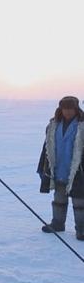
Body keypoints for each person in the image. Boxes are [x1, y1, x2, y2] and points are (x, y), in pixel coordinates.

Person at [37, 96, 84, 240]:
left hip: (78, 170)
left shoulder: (82, 125)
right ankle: (57, 223)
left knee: (80, 201)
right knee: (59, 199)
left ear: (76, 109)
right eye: (65, 109)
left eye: (70, 109)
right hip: (59, 168)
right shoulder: (53, 125)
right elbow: (47, 148)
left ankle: (81, 229)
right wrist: (43, 167)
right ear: (61, 109)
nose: (68, 112)